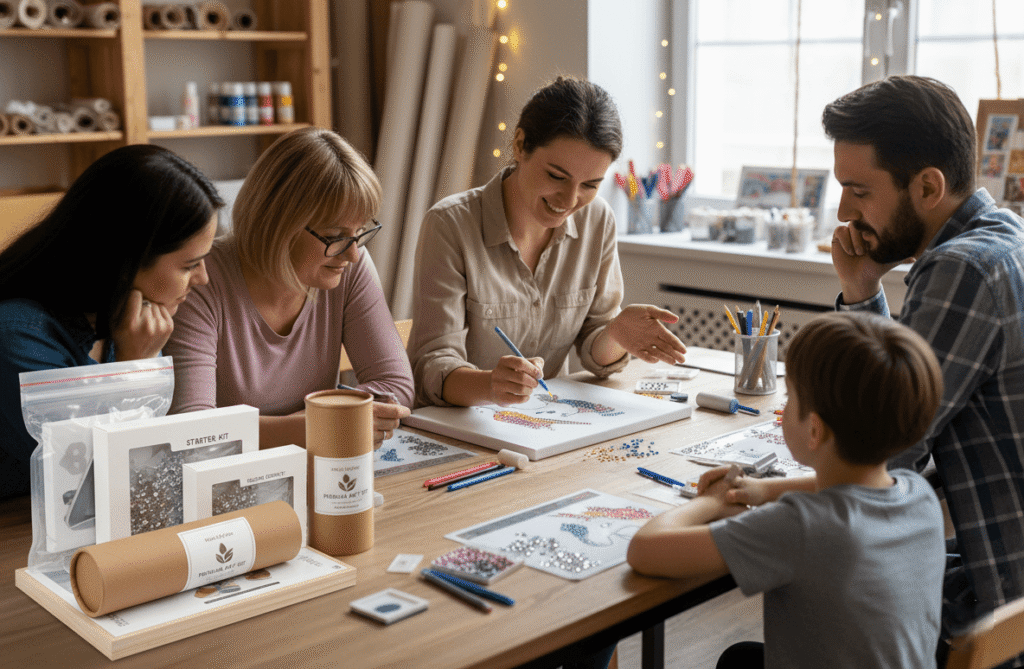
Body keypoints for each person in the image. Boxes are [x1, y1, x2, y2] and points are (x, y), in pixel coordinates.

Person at [823, 75, 1024, 659]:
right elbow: (894, 403)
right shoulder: (1005, 238)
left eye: (858, 190)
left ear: (929, 186)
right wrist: (862, 292)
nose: (843, 211)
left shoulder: (965, 269)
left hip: (1002, 608)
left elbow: (881, 452)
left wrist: (757, 492)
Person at [627, 311, 947, 669]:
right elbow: (843, 491)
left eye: (789, 399)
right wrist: (764, 489)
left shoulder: (801, 527)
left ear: (815, 430)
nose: (781, 409)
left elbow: (644, 550)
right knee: (739, 660)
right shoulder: (918, 493)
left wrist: (710, 501)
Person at [408, 76, 688, 409]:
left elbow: (593, 349)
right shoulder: (450, 225)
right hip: (459, 427)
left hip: (542, 426)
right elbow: (431, 367)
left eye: (590, 185)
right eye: (556, 176)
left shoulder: (597, 220)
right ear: (519, 145)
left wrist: (615, 334)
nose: (570, 200)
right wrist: (490, 385)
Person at [164, 127, 412, 450]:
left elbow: (397, 386)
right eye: (336, 235)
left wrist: (324, 423)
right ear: (280, 224)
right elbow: (194, 430)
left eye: (360, 232)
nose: (353, 253)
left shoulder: (348, 264)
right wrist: (318, 426)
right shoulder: (201, 279)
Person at [0, 145, 223, 499]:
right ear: (126, 259)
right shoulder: (18, 337)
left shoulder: (124, 320)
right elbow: (93, 481)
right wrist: (135, 368)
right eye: (189, 265)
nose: (203, 279)